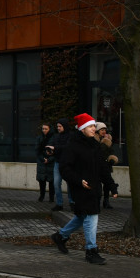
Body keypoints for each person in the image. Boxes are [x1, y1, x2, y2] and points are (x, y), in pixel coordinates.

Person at [49, 113, 115, 265]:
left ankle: (60, 236)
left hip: (94, 188)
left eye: (94, 126)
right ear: (83, 129)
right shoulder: (73, 146)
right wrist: (79, 181)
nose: (94, 129)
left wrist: (111, 186)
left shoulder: (95, 145)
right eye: (91, 126)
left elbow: (103, 167)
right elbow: (65, 168)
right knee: (91, 216)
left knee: (81, 217)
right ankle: (91, 250)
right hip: (80, 189)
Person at [48, 119, 71, 211]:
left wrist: (55, 148)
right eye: (57, 126)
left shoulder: (70, 136)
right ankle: (59, 203)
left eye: (60, 126)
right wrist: (50, 151)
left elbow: (68, 148)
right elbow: (52, 145)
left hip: (68, 163)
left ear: (64, 126)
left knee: (70, 184)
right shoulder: (56, 136)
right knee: (56, 183)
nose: (58, 128)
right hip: (58, 162)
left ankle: (72, 202)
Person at [95, 122, 118, 208]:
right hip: (97, 166)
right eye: (102, 130)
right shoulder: (96, 140)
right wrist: (105, 142)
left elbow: (111, 152)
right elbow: (100, 151)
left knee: (107, 184)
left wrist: (112, 159)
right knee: (98, 185)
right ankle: (97, 201)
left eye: (105, 130)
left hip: (106, 165)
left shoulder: (108, 140)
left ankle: (106, 201)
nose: (104, 131)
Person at [35, 124, 54, 202]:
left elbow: (56, 152)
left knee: (51, 182)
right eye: (43, 129)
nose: (44, 130)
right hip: (41, 162)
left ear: (49, 129)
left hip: (51, 162)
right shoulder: (39, 138)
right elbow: (37, 150)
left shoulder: (54, 138)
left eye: (46, 129)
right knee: (41, 181)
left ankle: (51, 198)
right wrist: (43, 159)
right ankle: (41, 196)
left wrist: (49, 160)